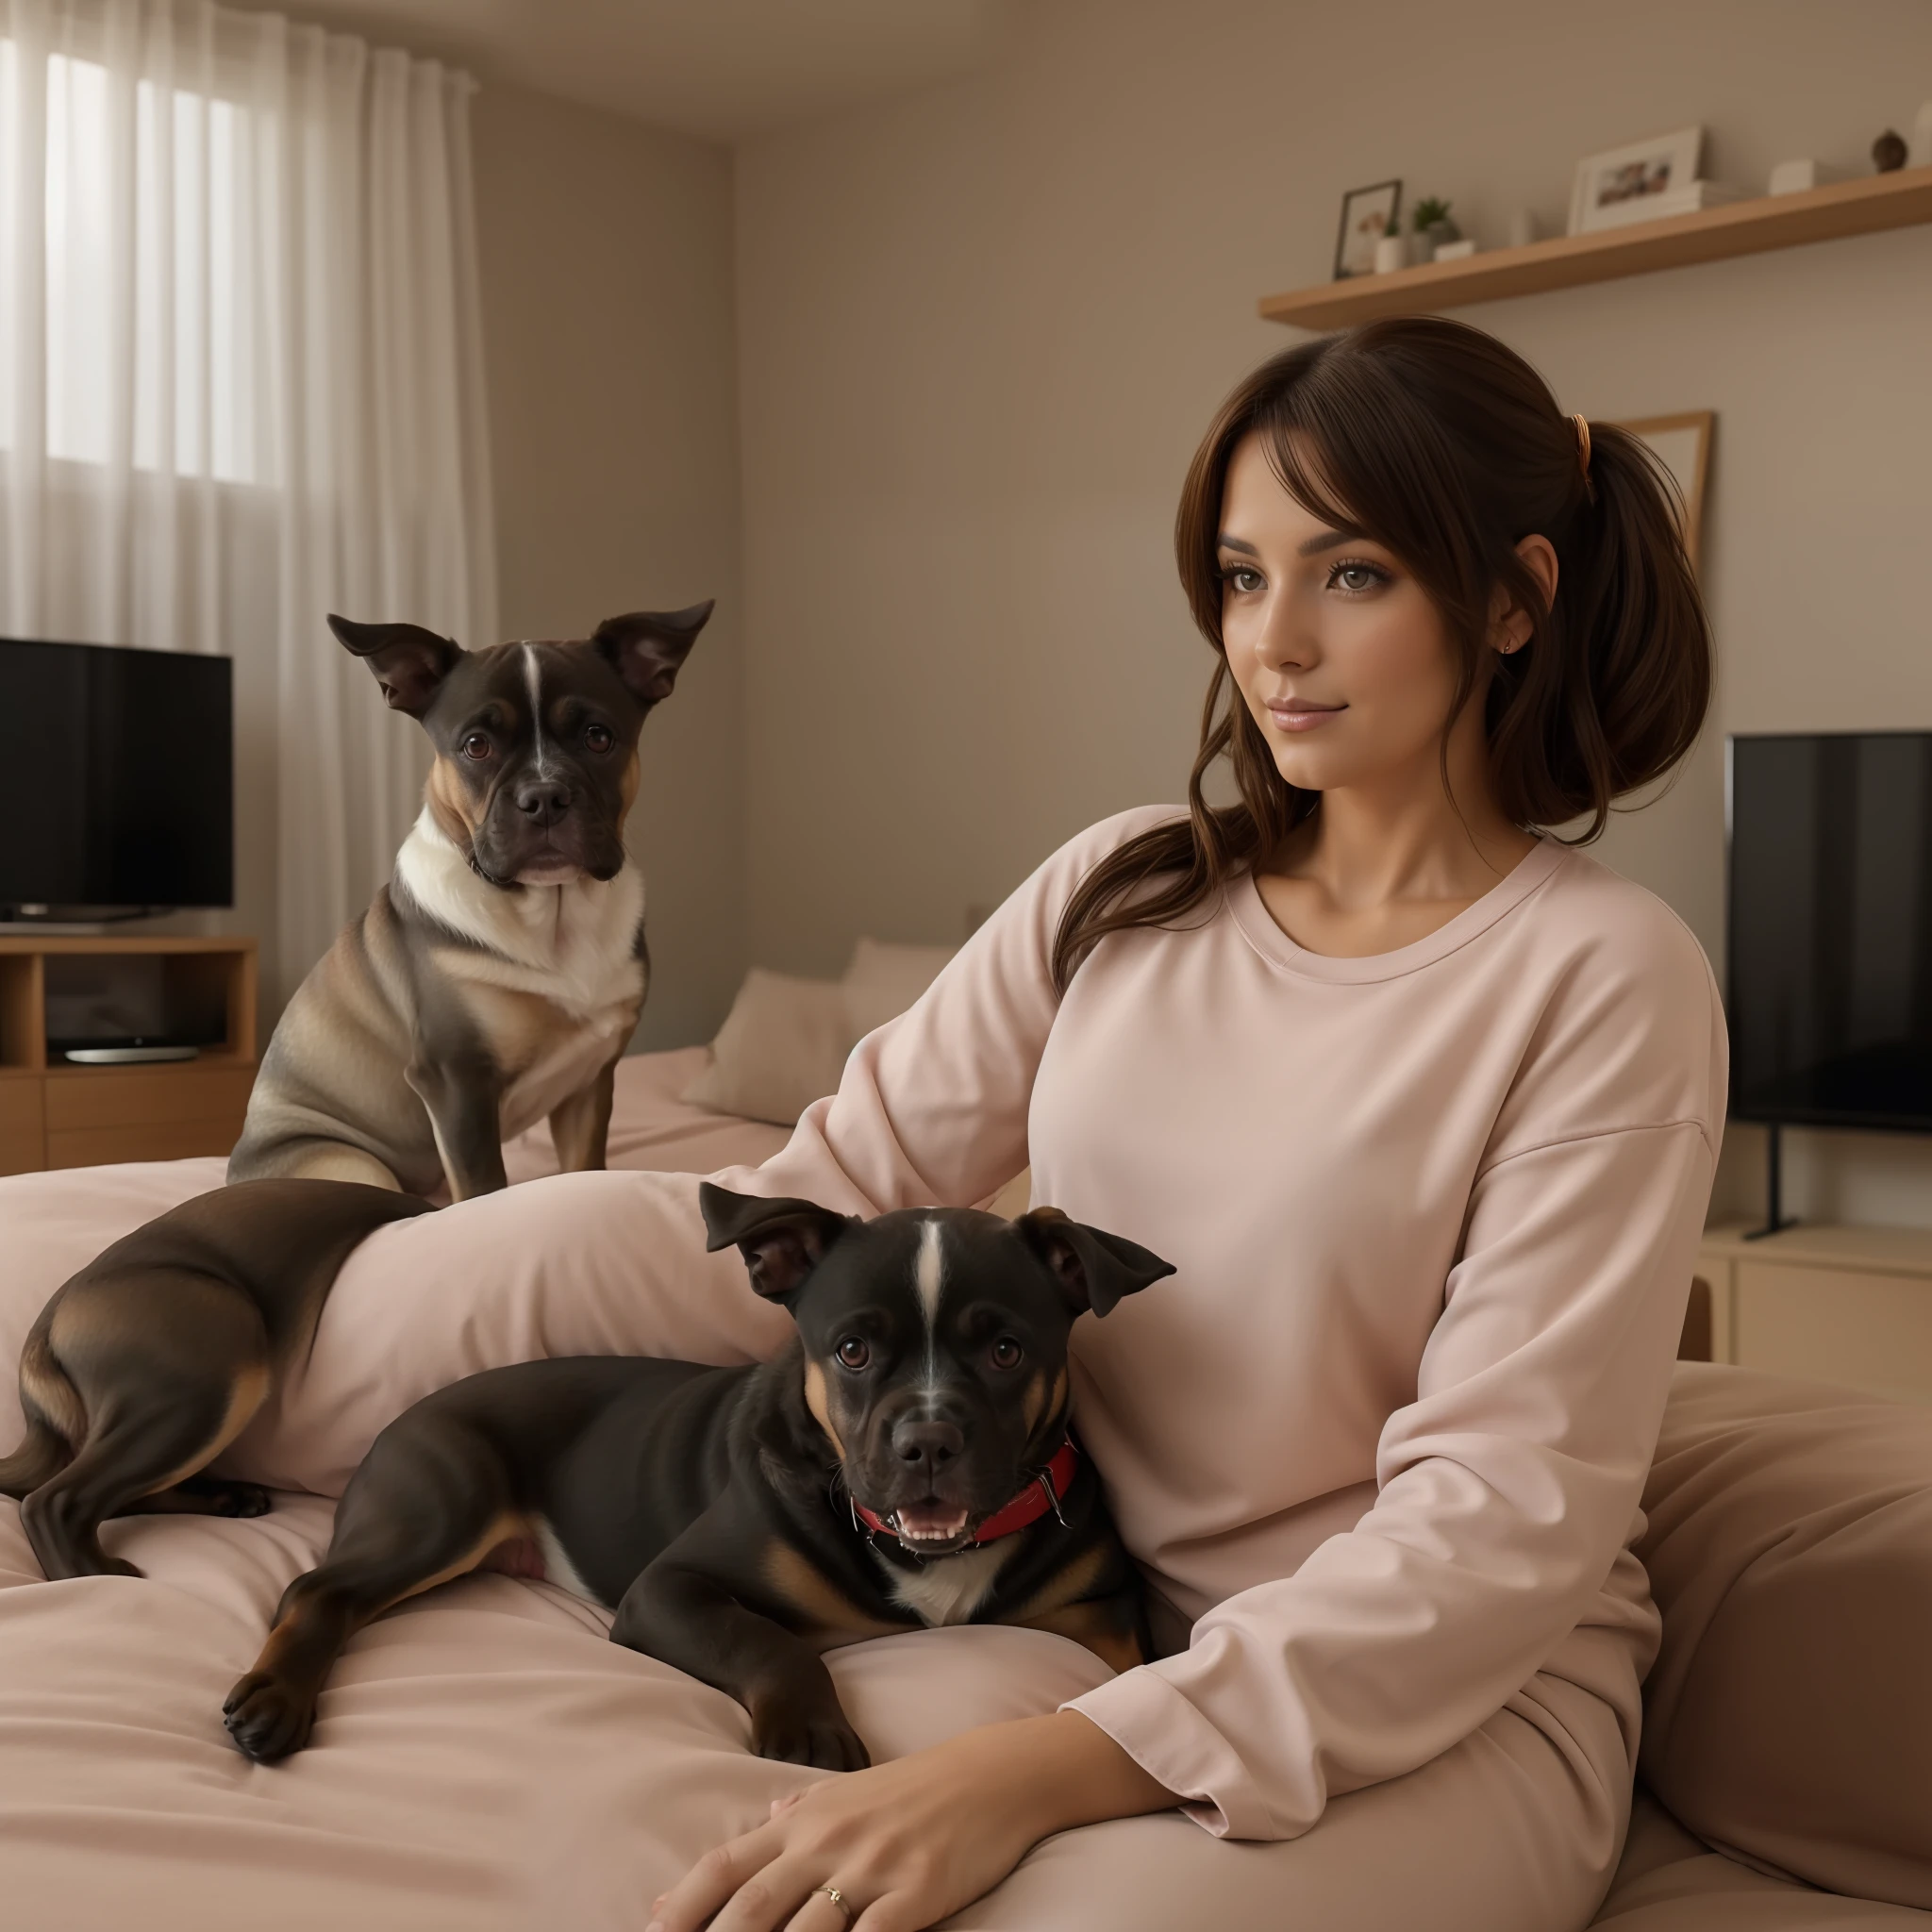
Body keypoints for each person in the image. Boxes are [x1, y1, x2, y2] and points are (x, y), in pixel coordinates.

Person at [648, 315, 1724, 1932]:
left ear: (1510, 599)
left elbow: (1500, 1528)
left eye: (1349, 574)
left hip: (1449, 1700)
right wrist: (342, 1305)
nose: (1272, 642)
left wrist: (1040, 1768)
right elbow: (818, 1190)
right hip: (1097, 1615)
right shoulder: (1131, 884)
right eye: (1239, 577)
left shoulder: (1607, 975)